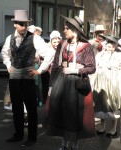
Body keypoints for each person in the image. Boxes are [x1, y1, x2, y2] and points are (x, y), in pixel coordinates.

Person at [1, 10, 55, 146]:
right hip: (14, 78)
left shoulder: (34, 38)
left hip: (28, 78)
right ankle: (18, 134)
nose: (24, 27)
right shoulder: (9, 39)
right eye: (21, 24)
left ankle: (32, 138)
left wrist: (39, 70)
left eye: (25, 24)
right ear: (15, 24)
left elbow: (49, 54)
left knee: (31, 109)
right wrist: (8, 65)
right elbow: (4, 53)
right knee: (16, 108)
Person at [46, 15, 96, 150]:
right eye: (64, 28)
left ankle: (74, 146)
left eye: (67, 28)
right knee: (62, 115)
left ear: (75, 31)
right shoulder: (62, 45)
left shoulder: (86, 47)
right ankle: (63, 144)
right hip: (61, 84)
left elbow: (92, 68)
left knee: (74, 117)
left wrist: (76, 70)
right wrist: (51, 87)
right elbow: (55, 67)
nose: (64, 31)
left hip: (76, 86)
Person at [93, 35, 121, 138]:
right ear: (106, 46)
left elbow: (117, 68)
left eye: (113, 46)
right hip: (100, 83)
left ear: (115, 47)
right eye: (109, 46)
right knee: (101, 104)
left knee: (112, 105)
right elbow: (95, 67)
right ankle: (102, 127)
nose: (111, 48)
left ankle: (113, 129)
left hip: (113, 84)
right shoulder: (100, 55)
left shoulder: (118, 56)